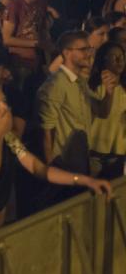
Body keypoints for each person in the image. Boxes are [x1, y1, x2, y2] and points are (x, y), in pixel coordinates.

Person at [0, 80, 111, 253]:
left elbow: (38, 168)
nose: (4, 108)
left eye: (4, 101)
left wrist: (85, 180)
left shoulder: (7, 138)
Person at [37, 31, 117, 173]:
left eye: (89, 49)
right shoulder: (55, 85)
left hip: (81, 159)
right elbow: (46, 132)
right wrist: (50, 171)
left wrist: (109, 93)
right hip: (63, 164)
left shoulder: (80, 82)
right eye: (83, 50)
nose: (89, 54)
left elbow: (102, 112)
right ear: (67, 53)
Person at [87, 42, 126, 179]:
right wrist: (109, 94)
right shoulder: (96, 87)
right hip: (95, 152)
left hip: (118, 152)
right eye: (114, 57)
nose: (120, 61)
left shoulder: (123, 88)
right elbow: (103, 113)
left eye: (122, 56)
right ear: (104, 59)